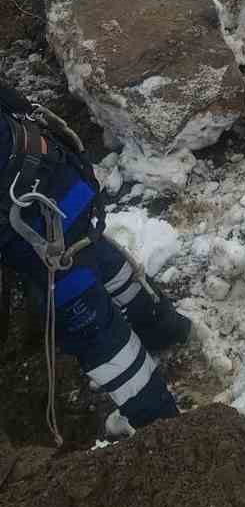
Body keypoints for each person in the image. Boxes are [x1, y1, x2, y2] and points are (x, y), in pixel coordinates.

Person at [0, 79, 189, 438]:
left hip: (34, 224)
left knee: (96, 334)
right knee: (97, 257)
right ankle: (166, 328)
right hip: (57, 183)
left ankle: (165, 429)